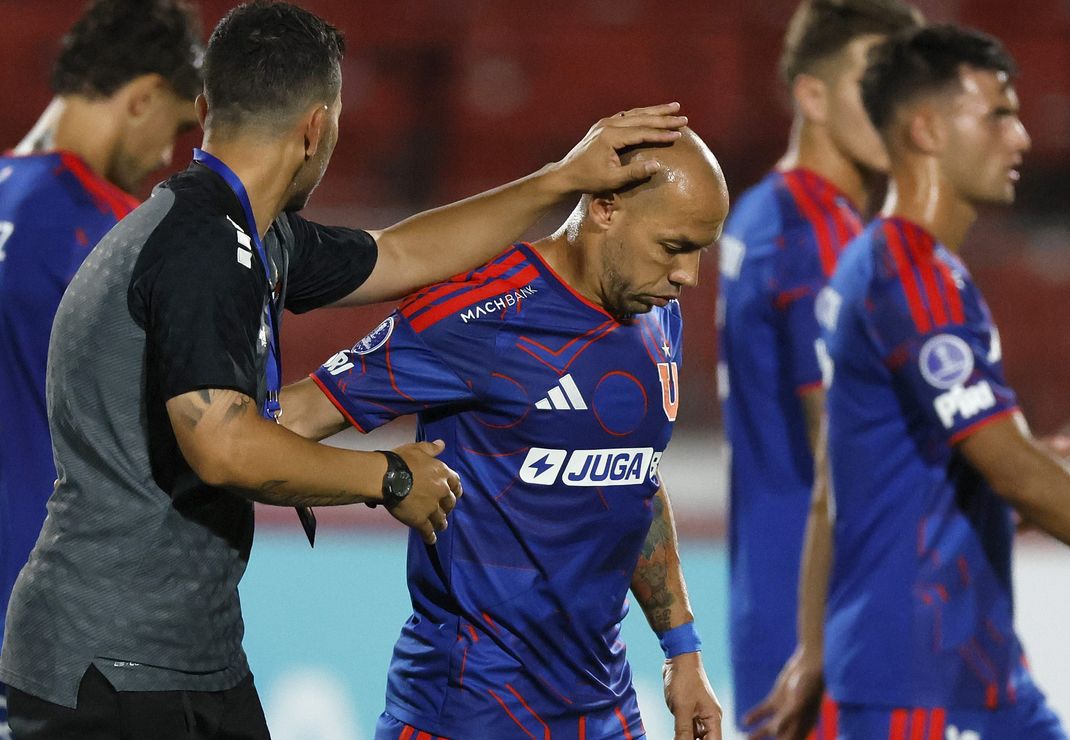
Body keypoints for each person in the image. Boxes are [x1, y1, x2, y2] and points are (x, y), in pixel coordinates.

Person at [0, 2, 689, 737]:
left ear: (205, 107)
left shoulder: (249, 234)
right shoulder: (200, 248)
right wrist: (387, 476)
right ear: (317, 127)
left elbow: (402, 254)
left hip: (186, 654)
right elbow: (223, 443)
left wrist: (558, 180)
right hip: (109, 663)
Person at [766, 24, 1070, 739]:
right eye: (999, 112)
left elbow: (835, 487)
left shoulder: (878, 265)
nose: (1021, 136)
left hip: (969, 670)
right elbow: (1012, 466)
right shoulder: (914, 280)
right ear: (928, 130)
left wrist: (816, 651)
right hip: (921, 683)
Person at [279, 128, 728, 740]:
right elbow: (293, 418)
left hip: (606, 713)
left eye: (701, 251)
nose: (689, 277)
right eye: (674, 246)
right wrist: (379, 476)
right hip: (467, 712)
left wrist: (683, 651)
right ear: (604, 206)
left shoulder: (657, 315)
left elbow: (635, 479)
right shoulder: (480, 317)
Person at [714, 1, 922, 735]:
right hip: (831, 624)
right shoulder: (820, 239)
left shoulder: (763, 211)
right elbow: (847, 455)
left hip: (769, 603)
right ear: (812, 94)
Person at [0, 0, 203, 733]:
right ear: (142, 97)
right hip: (56, 638)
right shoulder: (116, 236)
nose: (165, 158)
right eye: (176, 129)